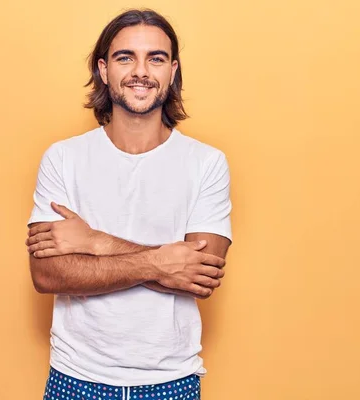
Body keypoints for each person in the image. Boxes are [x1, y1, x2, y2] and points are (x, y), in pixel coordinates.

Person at [26, 8, 232, 400]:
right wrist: (161, 261)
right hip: (76, 375)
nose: (141, 71)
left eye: (155, 58)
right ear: (104, 70)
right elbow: (47, 275)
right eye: (126, 57)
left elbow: (200, 276)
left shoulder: (207, 163)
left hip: (171, 378)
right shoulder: (62, 158)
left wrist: (96, 243)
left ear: (173, 70)